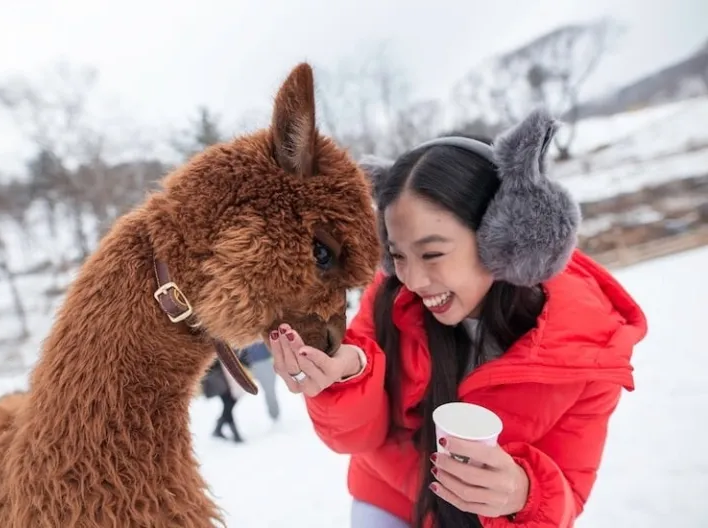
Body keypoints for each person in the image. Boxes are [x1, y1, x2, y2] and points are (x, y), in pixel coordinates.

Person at [267, 109, 648, 527]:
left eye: (432, 254)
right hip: (389, 501)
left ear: (504, 238)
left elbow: (568, 492)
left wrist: (524, 494)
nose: (411, 279)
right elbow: (356, 438)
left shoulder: (589, 349)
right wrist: (346, 376)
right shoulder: (390, 298)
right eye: (397, 255)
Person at [201, 358, 246, 443]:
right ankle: (235, 434)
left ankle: (218, 428)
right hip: (219, 378)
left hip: (225, 376)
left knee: (230, 403)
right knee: (228, 404)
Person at [243, 341, 281, 421]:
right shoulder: (245, 338)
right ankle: (274, 413)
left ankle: (274, 413)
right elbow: (242, 353)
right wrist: (249, 366)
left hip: (268, 362)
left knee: (270, 390)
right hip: (256, 365)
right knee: (268, 391)